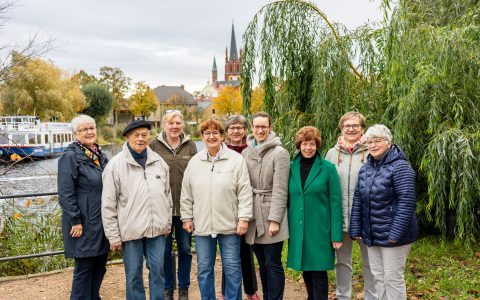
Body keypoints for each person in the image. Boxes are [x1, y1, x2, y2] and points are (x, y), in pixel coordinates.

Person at [180, 119, 253, 300]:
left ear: (222, 136)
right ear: (202, 137)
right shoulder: (195, 162)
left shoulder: (236, 161)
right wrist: (186, 217)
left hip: (229, 226)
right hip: (203, 226)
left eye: (215, 133)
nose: (211, 136)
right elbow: (186, 193)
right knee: (204, 269)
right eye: (207, 133)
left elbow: (244, 191)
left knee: (232, 269)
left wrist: (244, 219)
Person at [102, 120, 172, 300]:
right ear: (127, 137)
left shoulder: (159, 162)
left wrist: (167, 222)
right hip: (131, 231)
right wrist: (113, 235)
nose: (141, 139)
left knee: (158, 271)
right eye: (136, 136)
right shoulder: (115, 166)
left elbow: (167, 195)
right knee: (133, 275)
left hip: (157, 230)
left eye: (144, 135)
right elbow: (108, 204)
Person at [349, 124, 418, 300]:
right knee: (378, 276)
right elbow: (358, 199)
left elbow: (406, 202)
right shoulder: (366, 168)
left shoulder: (400, 167)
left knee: (392, 279)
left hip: (394, 235)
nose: (373, 145)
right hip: (372, 233)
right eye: (370, 142)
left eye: (377, 141)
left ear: (388, 142)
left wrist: (395, 233)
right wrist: (356, 227)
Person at [325, 112, 377, 300]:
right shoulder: (332, 153)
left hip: (366, 217)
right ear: (341, 129)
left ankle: (372, 296)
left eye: (355, 125)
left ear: (362, 128)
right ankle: (343, 296)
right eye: (347, 125)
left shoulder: (372, 151)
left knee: (371, 262)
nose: (351, 129)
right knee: (342, 262)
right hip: (340, 217)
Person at [287, 126, 343, 300]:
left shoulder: (327, 168)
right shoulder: (291, 167)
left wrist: (336, 234)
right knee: (306, 268)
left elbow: (335, 203)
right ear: (299, 145)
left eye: (312, 144)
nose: (308, 148)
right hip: (298, 228)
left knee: (318, 271)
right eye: (305, 144)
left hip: (320, 229)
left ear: (317, 145)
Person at [58, 114, 109, 300]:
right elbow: (65, 192)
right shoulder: (70, 157)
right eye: (84, 129)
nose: (89, 132)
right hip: (83, 222)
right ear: (75, 134)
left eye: (92, 128)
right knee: (84, 267)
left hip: (101, 221)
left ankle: (94, 296)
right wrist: (75, 220)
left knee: (100, 263)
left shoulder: (100, 155)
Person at [149, 110, 197, 300]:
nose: (175, 126)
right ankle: (168, 288)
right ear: (164, 126)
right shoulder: (153, 146)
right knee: (165, 252)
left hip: (185, 209)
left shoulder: (191, 146)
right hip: (163, 210)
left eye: (178, 123)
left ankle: (184, 288)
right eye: (171, 123)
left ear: (182, 125)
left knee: (185, 249)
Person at [243, 112, 290, 300]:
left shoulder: (280, 153)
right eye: (257, 126)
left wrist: (274, 219)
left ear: (270, 127)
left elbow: (280, 189)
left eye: (264, 126)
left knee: (273, 263)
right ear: (252, 128)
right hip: (253, 214)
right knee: (261, 262)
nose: (260, 130)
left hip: (270, 213)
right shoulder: (246, 152)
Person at [219, 115, 259, 300]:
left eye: (239, 128)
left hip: (247, 205)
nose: (236, 131)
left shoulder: (251, 149)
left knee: (245, 250)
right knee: (229, 253)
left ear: (245, 130)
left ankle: (251, 290)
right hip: (226, 206)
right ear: (227, 131)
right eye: (232, 128)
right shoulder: (221, 150)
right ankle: (225, 291)